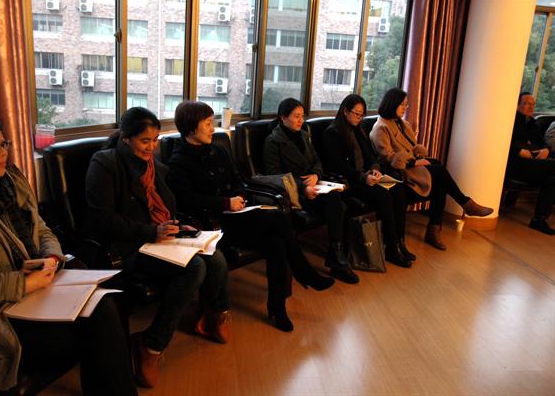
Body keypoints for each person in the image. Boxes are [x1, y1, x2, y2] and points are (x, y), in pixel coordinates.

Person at [0, 108, 137, 395]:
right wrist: (23, 283)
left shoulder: (10, 182)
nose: (2, 153)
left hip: (37, 287)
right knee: (97, 327)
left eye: (4, 143)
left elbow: (41, 228)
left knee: (103, 304)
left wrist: (52, 257)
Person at [84, 107, 230, 388]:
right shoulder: (105, 163)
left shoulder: (154, 165)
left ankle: (215, 314)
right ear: (125, 138)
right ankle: (151, 345)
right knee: (194, 268)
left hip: (159, 238)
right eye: (144, 141)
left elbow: (166, 206)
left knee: (215, 256)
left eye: (155, 140)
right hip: (127, 245)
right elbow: (102, 219)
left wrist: (176, 225)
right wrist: (152, 231)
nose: (151, 147)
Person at [166, 101, 334, 333]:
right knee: (278, 219)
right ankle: (304, 272)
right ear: (190, 127)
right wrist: (225, 203)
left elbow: (239, 180)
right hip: (212, 227)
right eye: (207, 124)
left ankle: (277, 306)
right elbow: (186, 200)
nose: (212, 129)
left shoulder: (218, 151)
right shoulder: (178, 162)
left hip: (237, 216)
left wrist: (240, 197)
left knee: (276, 243)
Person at [369, 88, 493, 250]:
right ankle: (465, 203)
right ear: (392, 103)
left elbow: (413, 148)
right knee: (439, 170)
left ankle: (434, 230)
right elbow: (390, 158)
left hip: (411, 167)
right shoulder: (380, 128)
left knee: (439, 184)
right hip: (398, 172)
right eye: (402, 104)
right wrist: (415, 162)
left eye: (406, 105)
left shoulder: (403, 124)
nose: (405, 108)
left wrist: (418, 157)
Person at [263, 98, 360, 283]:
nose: (301, 120)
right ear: (283, 117)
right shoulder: (273, 141)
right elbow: (274, 175)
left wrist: (316, 175)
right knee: (337, 204)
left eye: (302, 116)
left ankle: (338, 256)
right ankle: (337, 260)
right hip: (293, 193)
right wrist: (303, 188)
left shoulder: (304, 134)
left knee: (338, 199)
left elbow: (317, 161)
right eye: (296, 116)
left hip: (314, 185)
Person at [323, 94, 413, 267]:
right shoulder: (332, 133)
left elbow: (371, 156)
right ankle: (391, 247)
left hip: (369, 176)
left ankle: (399, 242)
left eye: (361, 114)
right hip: (352, 181)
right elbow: (337, 165)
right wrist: (363, 177)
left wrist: (375, 168)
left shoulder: (359, 130)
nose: (359, 117)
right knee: (383, 194)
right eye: (356, 113)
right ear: (345, 111)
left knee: (397, 189)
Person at [506, 92, 555, 234]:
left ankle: (539, 219)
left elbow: (542, 143)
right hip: (514, 163)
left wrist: (546, 150)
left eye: (533, 104)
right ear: (517, 105)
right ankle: (539, 219)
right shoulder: (510, 120)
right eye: (527, 103)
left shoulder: (532, 123)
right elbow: (500, 141)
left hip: (531, 163)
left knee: (553, 179)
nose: (531, 107)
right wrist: (517, 150)